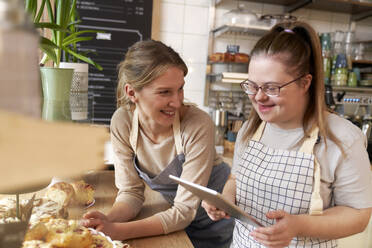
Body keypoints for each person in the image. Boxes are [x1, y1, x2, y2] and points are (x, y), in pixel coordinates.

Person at [202, 21, 372, 248]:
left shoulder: (342, 138)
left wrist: (298, 225)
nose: (258, 97)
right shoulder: (250, 129)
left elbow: (358, 216)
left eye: (271, 88)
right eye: (252, 86)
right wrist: (226, 199)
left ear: (305, 83)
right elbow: (236, 179)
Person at [81, 39, 234, 248]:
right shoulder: (123, 122)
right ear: (132, 92)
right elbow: (131, 193)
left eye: (180, 89)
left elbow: (184, 211)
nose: (177, 101)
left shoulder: (197, 124)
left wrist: (117, 230)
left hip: (214, 227)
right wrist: (107, 220)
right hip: (170, 223)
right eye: (165, 92)